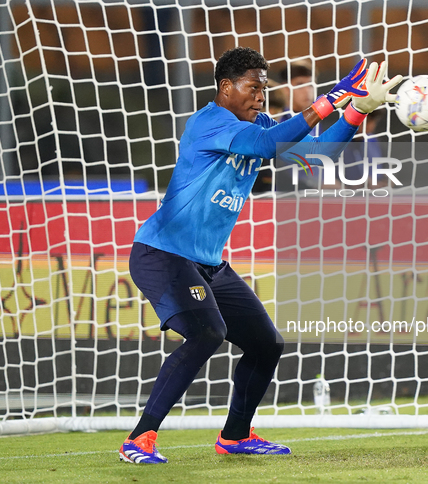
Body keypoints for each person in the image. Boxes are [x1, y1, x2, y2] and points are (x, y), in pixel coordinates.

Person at [118, 47, 401, 464]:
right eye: (253, 88)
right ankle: (139, 438)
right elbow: (269, 146)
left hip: (209, 264)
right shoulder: (209, 122)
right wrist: (331, 100)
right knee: (207, 333)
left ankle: (235, 436)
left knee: (266, 344)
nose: (260, 97)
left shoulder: (262, 124)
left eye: (264, 89)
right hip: (163, 254)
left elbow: (316, 156)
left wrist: (357, 111)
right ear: (226, 87)